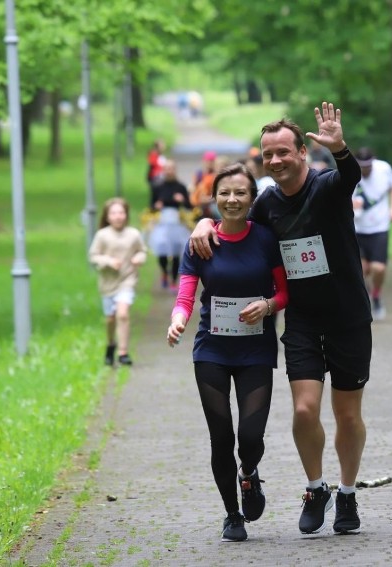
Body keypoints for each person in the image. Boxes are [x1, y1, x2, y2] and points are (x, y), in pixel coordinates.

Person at [189, 102, 371, 536]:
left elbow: (350, 177)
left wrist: (341, 148)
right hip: (302, 320)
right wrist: (203, 224)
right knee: (306, 410)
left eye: (283, 152)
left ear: (302, 153)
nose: (275, 160)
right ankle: (315, 487)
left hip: (347, 318)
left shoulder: (327, 186)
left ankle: (347, 494)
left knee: (346, 414)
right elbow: (234, 226)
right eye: (268, 154)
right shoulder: (267, 202)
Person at [167, 162, 289, 542]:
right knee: (221, 438)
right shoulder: (201, 242)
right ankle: (232, 515)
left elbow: (286, 291)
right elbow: (186, 292)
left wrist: (268, 307)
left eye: (240, 193)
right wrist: (177, 318)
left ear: (252, 198)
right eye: (225, 193)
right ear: (214, 198)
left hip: (255, 349)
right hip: (212, 351)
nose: (232, 199)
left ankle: (249, 474)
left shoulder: (266, 239)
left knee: (249, 437)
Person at [88, 198, 148, 366]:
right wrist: (108, 261)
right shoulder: (102, 235)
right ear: (107, 217)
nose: (118, 216)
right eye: (113, 213)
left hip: (127, 280)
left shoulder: (133, 234)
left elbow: (142, 251)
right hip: (108, 283)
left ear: (126, 215)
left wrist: (138, 258)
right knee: (111, 318)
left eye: (121, 212)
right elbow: (93, 256)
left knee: (122, 313)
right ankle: (110, 344)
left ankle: (123, 352)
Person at [352, 147, 392, 321]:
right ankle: (363, 303)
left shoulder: (384, 169)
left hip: (380, 227)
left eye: (368, 166)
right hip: (357, 229)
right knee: (361, 270)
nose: (366, 170)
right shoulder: (349, 173)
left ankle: (377, 295)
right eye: (362, 167)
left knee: (378, 268)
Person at [149, 160, 192, 291]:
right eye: (167, 168)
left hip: (177, 223)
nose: (169, 171)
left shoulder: (181, 187)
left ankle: (173, 281)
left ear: (175, 170)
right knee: (161, 249)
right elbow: (151, 206)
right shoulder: (158, 187)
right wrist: (156, 207)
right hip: (162, 222)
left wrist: (182, 200)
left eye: (171, 168)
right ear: (163, 170)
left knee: (175, 252)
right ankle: (164, 272)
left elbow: (190, 207)